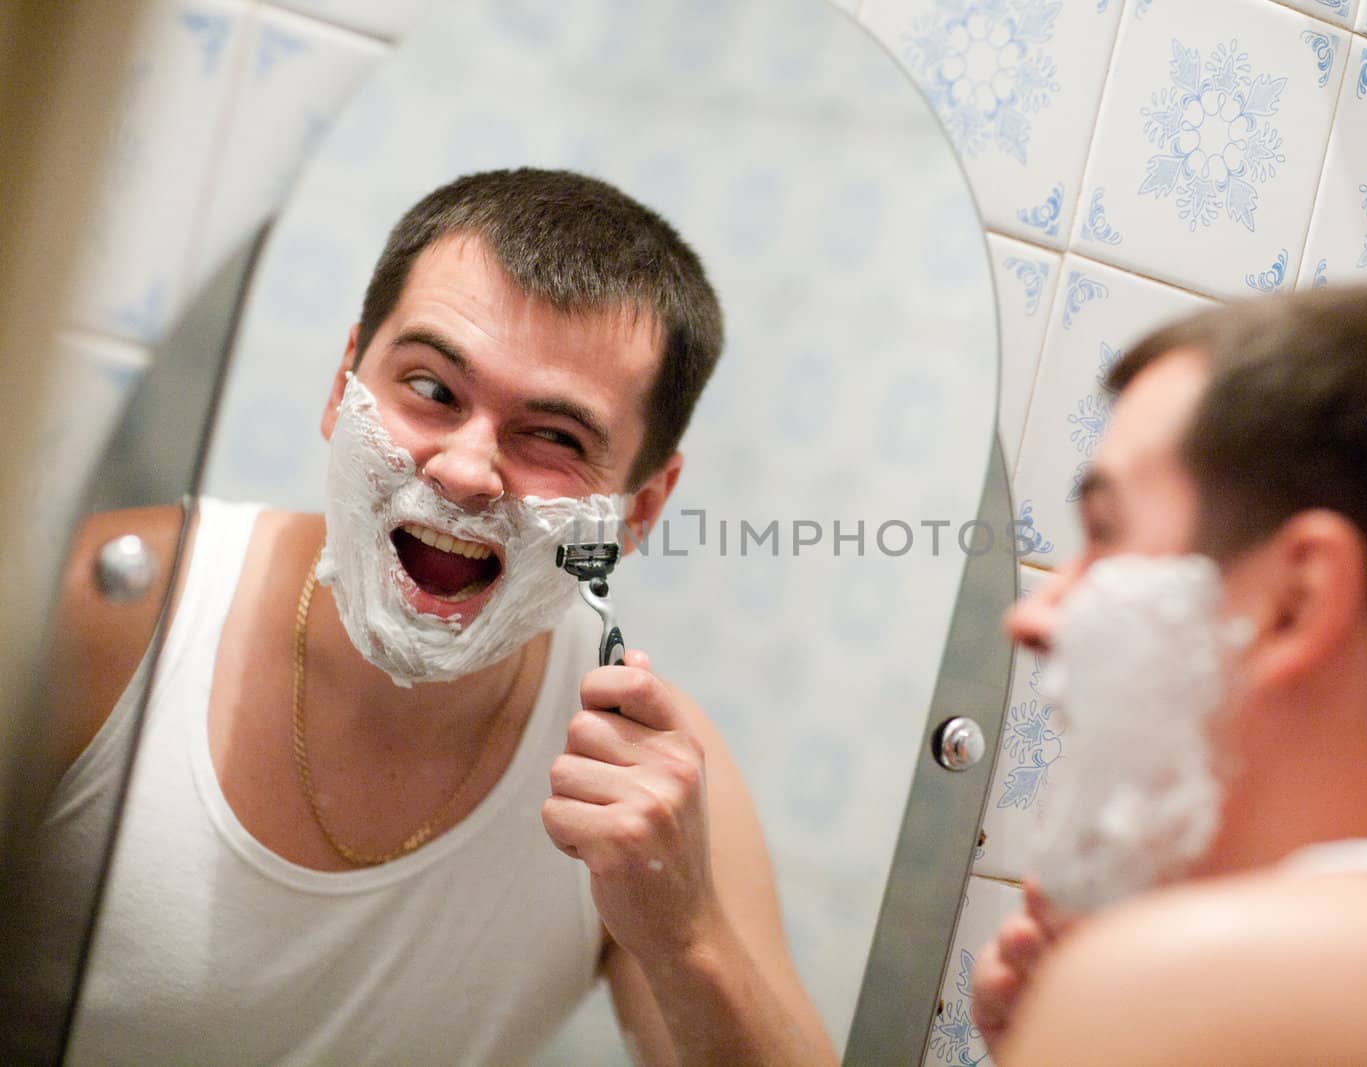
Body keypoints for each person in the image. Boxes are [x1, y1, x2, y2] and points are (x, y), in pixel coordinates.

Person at [40, 168, 834, 1065]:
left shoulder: (647, 778)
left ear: (639, 510)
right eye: (432, 387)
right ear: (344, 385)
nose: (464, 469)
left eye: (556, 437)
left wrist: (687, 939)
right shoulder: (105, 614)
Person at [973, 285, 1367, 1066]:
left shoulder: (1212, 988)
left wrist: (1121, 1006)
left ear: (1296, 601)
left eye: (1106, 531)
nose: (1033, 616)